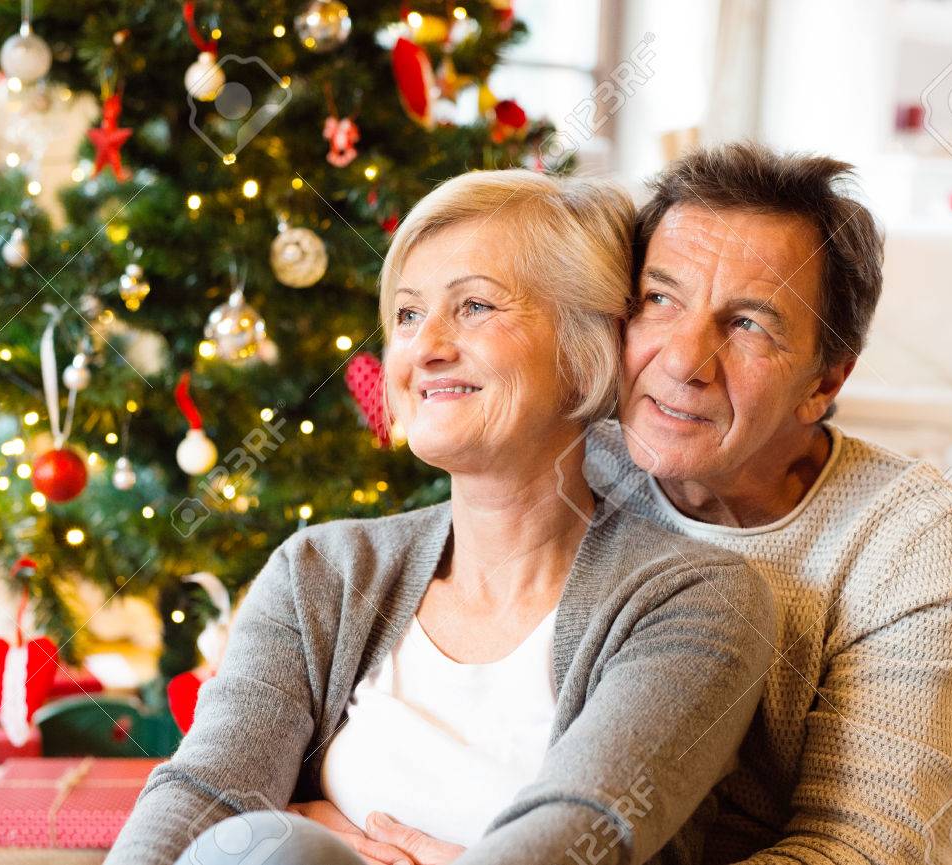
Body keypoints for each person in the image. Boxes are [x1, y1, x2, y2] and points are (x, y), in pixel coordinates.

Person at [105, 169, 775, 865]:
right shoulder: (321, 571)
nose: (425, 347)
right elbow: (208, 791)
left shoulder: (696, 600)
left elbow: (583, 830)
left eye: (476, 306)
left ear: (586, 351)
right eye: (406, 314)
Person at [570, 142, 952, 863]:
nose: (683, 361)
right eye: (660, 299)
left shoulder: (909, 534)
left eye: (747, 325)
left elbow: (868, 844)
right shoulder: (574, 462)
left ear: (824, 384)